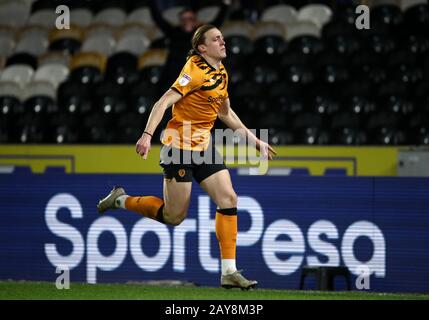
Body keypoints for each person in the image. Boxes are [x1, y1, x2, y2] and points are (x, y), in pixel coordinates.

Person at [97, 24, 276, 290]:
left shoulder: (222, 72)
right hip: (178, 146)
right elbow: (162, 103)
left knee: (228, 199)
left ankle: (229, 271)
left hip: (203, 146)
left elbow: (225, 113)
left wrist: (254, 140)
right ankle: (121, 200)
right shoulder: (193, 70)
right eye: (216, 39)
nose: (223, 42)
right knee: (173, 217)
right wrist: (147, 135)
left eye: (223, 38)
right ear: (202, 48)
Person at [148, 0, 231, 93]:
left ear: (195, 20)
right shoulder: (174, 32)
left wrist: (225, 4)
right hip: (175, 76)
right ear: (180, 22)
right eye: (184, 19)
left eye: (190, 18)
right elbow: (157, 18)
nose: (187, 21)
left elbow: (218, 21)